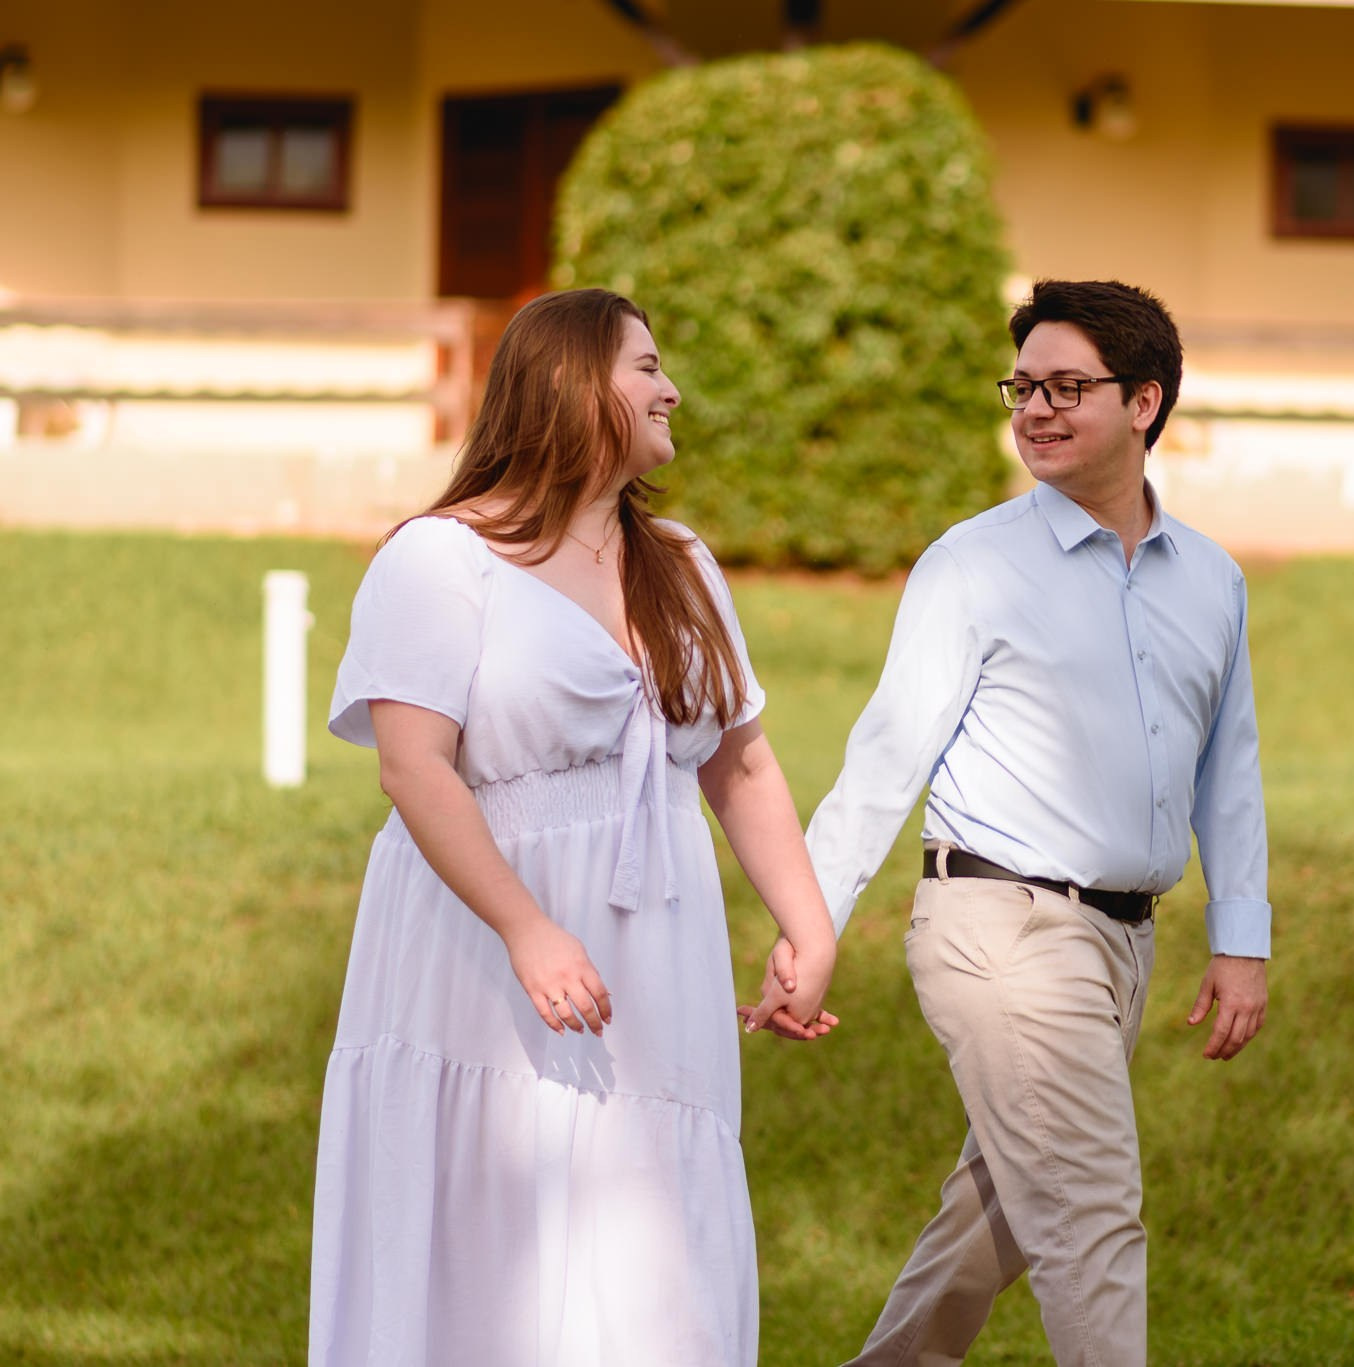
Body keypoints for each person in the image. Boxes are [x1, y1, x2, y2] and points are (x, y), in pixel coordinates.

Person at [309, 288, 837, 1367]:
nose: (669, 387)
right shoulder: (438, 559)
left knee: (646, 1230)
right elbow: (415, 769)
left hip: (658, 948)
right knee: (497, 1211)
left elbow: (740, 758)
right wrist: (527, 927)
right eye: (644, 366)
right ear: (568, 382)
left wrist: (807, 926)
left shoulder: (679, 561)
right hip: (481, 945)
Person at [802, 279, 1271, 1366]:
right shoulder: (972, 565)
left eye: (1067, 386)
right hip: (999, 926)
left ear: (1143, 400)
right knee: (1091, 1211)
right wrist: (811, 924)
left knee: (1002, 1207)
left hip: (1120, 940)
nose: (1036, 410)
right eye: (1023, 387)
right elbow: (885, 757)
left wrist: (1238, 936)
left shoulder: (1210, 578)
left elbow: (1227, 768)